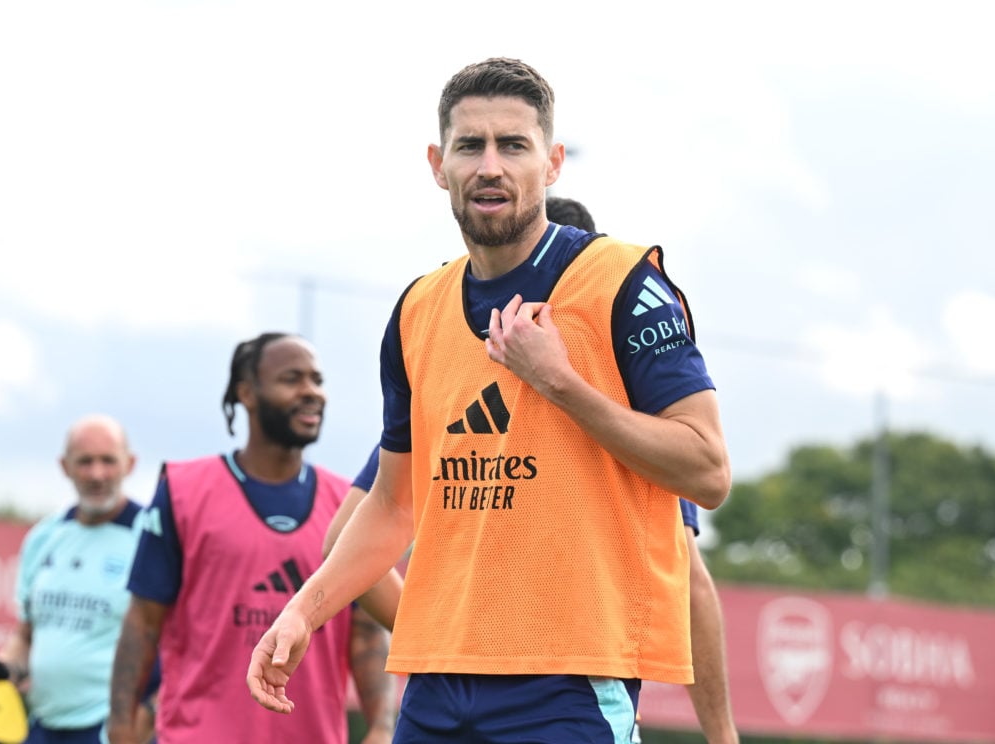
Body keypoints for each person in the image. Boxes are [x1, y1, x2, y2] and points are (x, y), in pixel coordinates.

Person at [247, 57, 732, 743]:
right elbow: (391, 505)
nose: (490, 165)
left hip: (569, 682)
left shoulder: (623, 283)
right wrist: (304, 609)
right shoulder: (419, 308)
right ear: (437, 163)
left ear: (554, 162)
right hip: (435, 683)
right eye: (470, 145)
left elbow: (708, 470)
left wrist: (561, 383)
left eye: (514, 144)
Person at [106, 333, 398, 744]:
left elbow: (366, 632)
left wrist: (383, 725)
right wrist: (120, 728)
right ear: (247, 393)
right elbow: (142, 622)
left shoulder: (349, 504)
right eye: (291, 379)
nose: (311, 392)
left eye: (317, 380)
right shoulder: (182, 490)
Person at [546, 194, 739, 743]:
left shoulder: (631, 413)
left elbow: (690, 574)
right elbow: (690, 582)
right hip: (544, 690)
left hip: (566, 693)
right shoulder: (457, 364)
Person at [0, 415, 156, 744]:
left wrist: (145, 718)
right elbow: (26, 636)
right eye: (85, 462)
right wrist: (2, 667)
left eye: (108, 461)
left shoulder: (150, 535)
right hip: (42, 724)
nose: (97, 473)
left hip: (112, 728)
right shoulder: (44, 536)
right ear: (65, 466)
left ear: (130, 464)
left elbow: (174, 640)